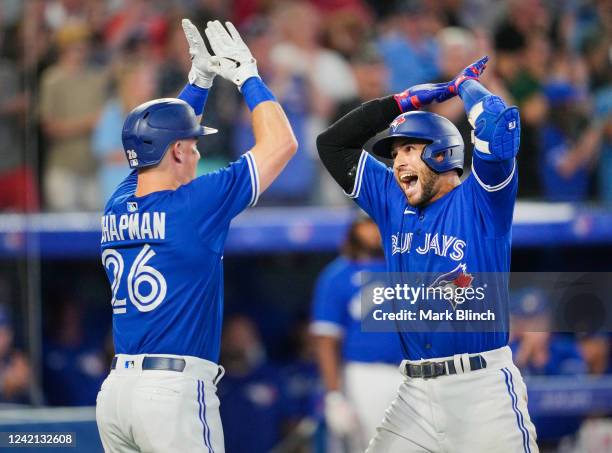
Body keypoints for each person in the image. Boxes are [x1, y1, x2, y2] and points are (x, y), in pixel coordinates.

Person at [317, 56, 538, 452]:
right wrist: (399, 102)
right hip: (414, 393)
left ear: (441, 152)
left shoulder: (482, 199)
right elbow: (331, 144)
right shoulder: (391, 200)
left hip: (480, 389)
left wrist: (463, 87)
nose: (398, 160)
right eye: (395, 153)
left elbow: (497, 126)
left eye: (408, 149)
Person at [95, 18, 297, 453]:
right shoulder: (196, 203)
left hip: (116, 395)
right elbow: (282, 144)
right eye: (191, 142)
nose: (197, 149)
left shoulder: (119, 200)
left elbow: (157, 147)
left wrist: (198, 82)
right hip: (171, 392)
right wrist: (249, 77)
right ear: (177, 151)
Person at [310, 216, 404, 451]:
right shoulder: (338, 275)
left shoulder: (402, 265)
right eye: (367, 223)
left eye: (376, 222)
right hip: (365, 375)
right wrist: (333, 396)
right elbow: (325, 340)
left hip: (412, 372)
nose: (373, 231)